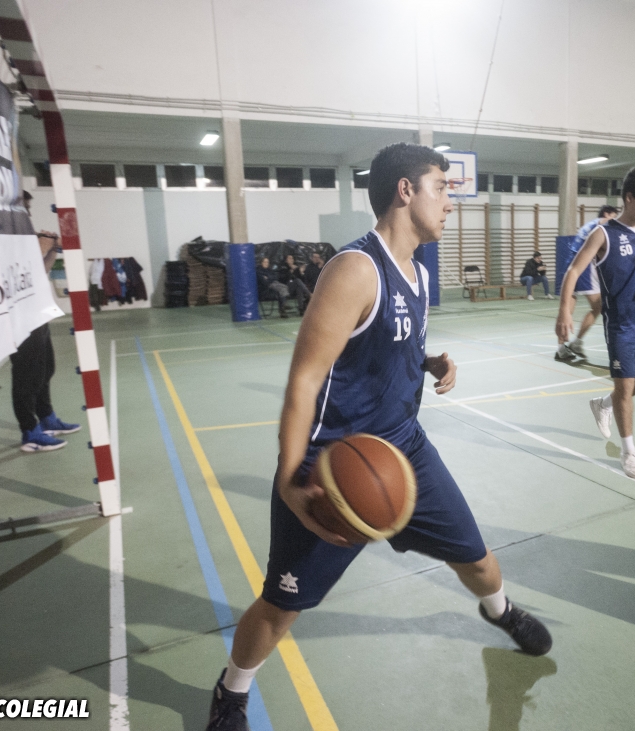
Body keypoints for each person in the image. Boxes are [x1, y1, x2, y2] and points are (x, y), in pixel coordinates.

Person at [205, 143, 552, 731]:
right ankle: (231, 692)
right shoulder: (355, 269)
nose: (451, 202)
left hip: (404, 450)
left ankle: (501, 611)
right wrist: (290, 479)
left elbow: (386, 341)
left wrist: (427, 360)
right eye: (441, 187)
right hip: (334, 465)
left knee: (479, 560)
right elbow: (305, 379)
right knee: (283, 605)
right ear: (405, 191)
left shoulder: (419, 272)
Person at [556, 169, 635, 479]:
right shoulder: (603, 234)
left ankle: (604, 404)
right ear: (629, 198)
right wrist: (564, 311)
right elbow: (573, 271)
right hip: (620, 324)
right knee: (626, 386)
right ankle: (629, 453)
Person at [12, 191, 80, 453]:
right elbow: (19, 274)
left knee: (45, 369)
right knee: (26, 375)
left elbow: (40, 272)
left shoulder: (24, 235)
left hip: (37, 312)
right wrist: (40, 247)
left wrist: (50, 250)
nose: (28, 213)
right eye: (25, 207)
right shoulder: (5, 238)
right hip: (18, 317)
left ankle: (47, 418)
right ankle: (30, 432)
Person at [556, 205, 618, 362]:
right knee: (599, 306)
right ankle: (576, 343)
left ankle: (561, 349)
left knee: (567, 311)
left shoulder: (590, 225)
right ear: (606, 214)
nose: (615, 220)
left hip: (570, 263)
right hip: (582, 267)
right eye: (614, 216)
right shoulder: (602, 222)